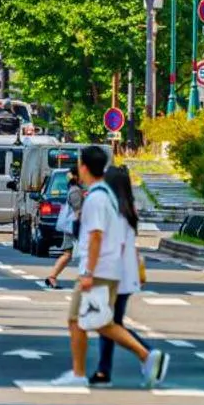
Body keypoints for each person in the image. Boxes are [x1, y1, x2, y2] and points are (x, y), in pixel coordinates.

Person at [52, 146, 168, 388]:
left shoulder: (96, 198)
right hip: (109, 269)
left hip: (99, 270)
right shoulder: (106, 196)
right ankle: (142, 357)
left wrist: (88, 272)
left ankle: (80, 373)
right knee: (98, 322)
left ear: (84, 167)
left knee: (80, 320)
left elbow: (95, 236)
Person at [92, 165, 147, 385]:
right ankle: (103, 370)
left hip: (113, 275)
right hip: (126, 275)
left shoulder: (115, 211)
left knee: (108, 324)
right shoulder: (128, 208)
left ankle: (149, 354)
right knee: (111, 323)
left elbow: (119, 246)